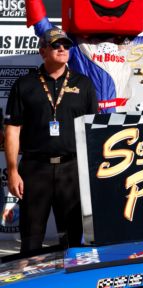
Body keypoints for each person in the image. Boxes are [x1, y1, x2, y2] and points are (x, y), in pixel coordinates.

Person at [4, 27, 98, 254]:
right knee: (31, 238)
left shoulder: (83, 84)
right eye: (56, 45)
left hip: (71, 168)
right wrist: (13, 170)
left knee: (73, 240)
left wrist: (93, 171)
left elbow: (92, 129)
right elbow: (13, 130)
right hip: (35, 169)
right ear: (43, 51)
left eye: (66, 45)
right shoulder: (24, 85)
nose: (63, 49)